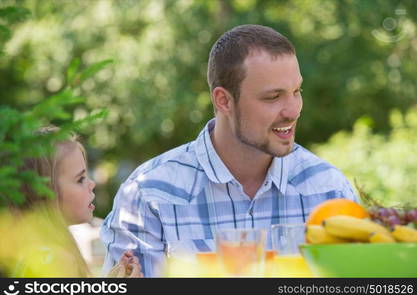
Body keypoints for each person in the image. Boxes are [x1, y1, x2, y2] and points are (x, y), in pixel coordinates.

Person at [101, 24, 358, 277]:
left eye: (296, 91)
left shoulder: (329, 190)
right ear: (223, 100)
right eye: (272, 97)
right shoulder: (149, 195)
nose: (293, 110)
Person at [13, 126, 142, 277]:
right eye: (80, 179)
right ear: (46, 192)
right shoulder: (56, 260)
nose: (91, 184)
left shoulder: (33, 249)